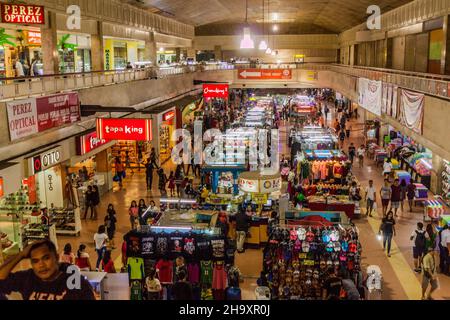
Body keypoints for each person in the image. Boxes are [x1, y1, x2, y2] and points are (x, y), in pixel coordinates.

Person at [0, 240, 95, 300]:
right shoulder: (27, 278)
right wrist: (21, 255)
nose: (41, 265)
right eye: (35, 261)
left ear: (57, 258)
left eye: (46, 258)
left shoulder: (76, 282)